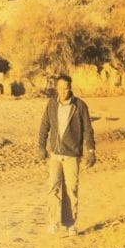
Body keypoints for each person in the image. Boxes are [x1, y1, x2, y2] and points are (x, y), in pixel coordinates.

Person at [38, 73, 96, 236]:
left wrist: (91, 151)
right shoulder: (51, 104)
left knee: (71, 189)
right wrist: (41, 147)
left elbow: (88, 130)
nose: (63, 91)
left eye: (66, 88)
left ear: (71, 88)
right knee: (53, 188)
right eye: (61, 88)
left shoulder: (80, 106)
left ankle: (70, 224)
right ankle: (52, 222)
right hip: (55, 155)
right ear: (56, 88)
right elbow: (44, 127)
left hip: (72, 154)